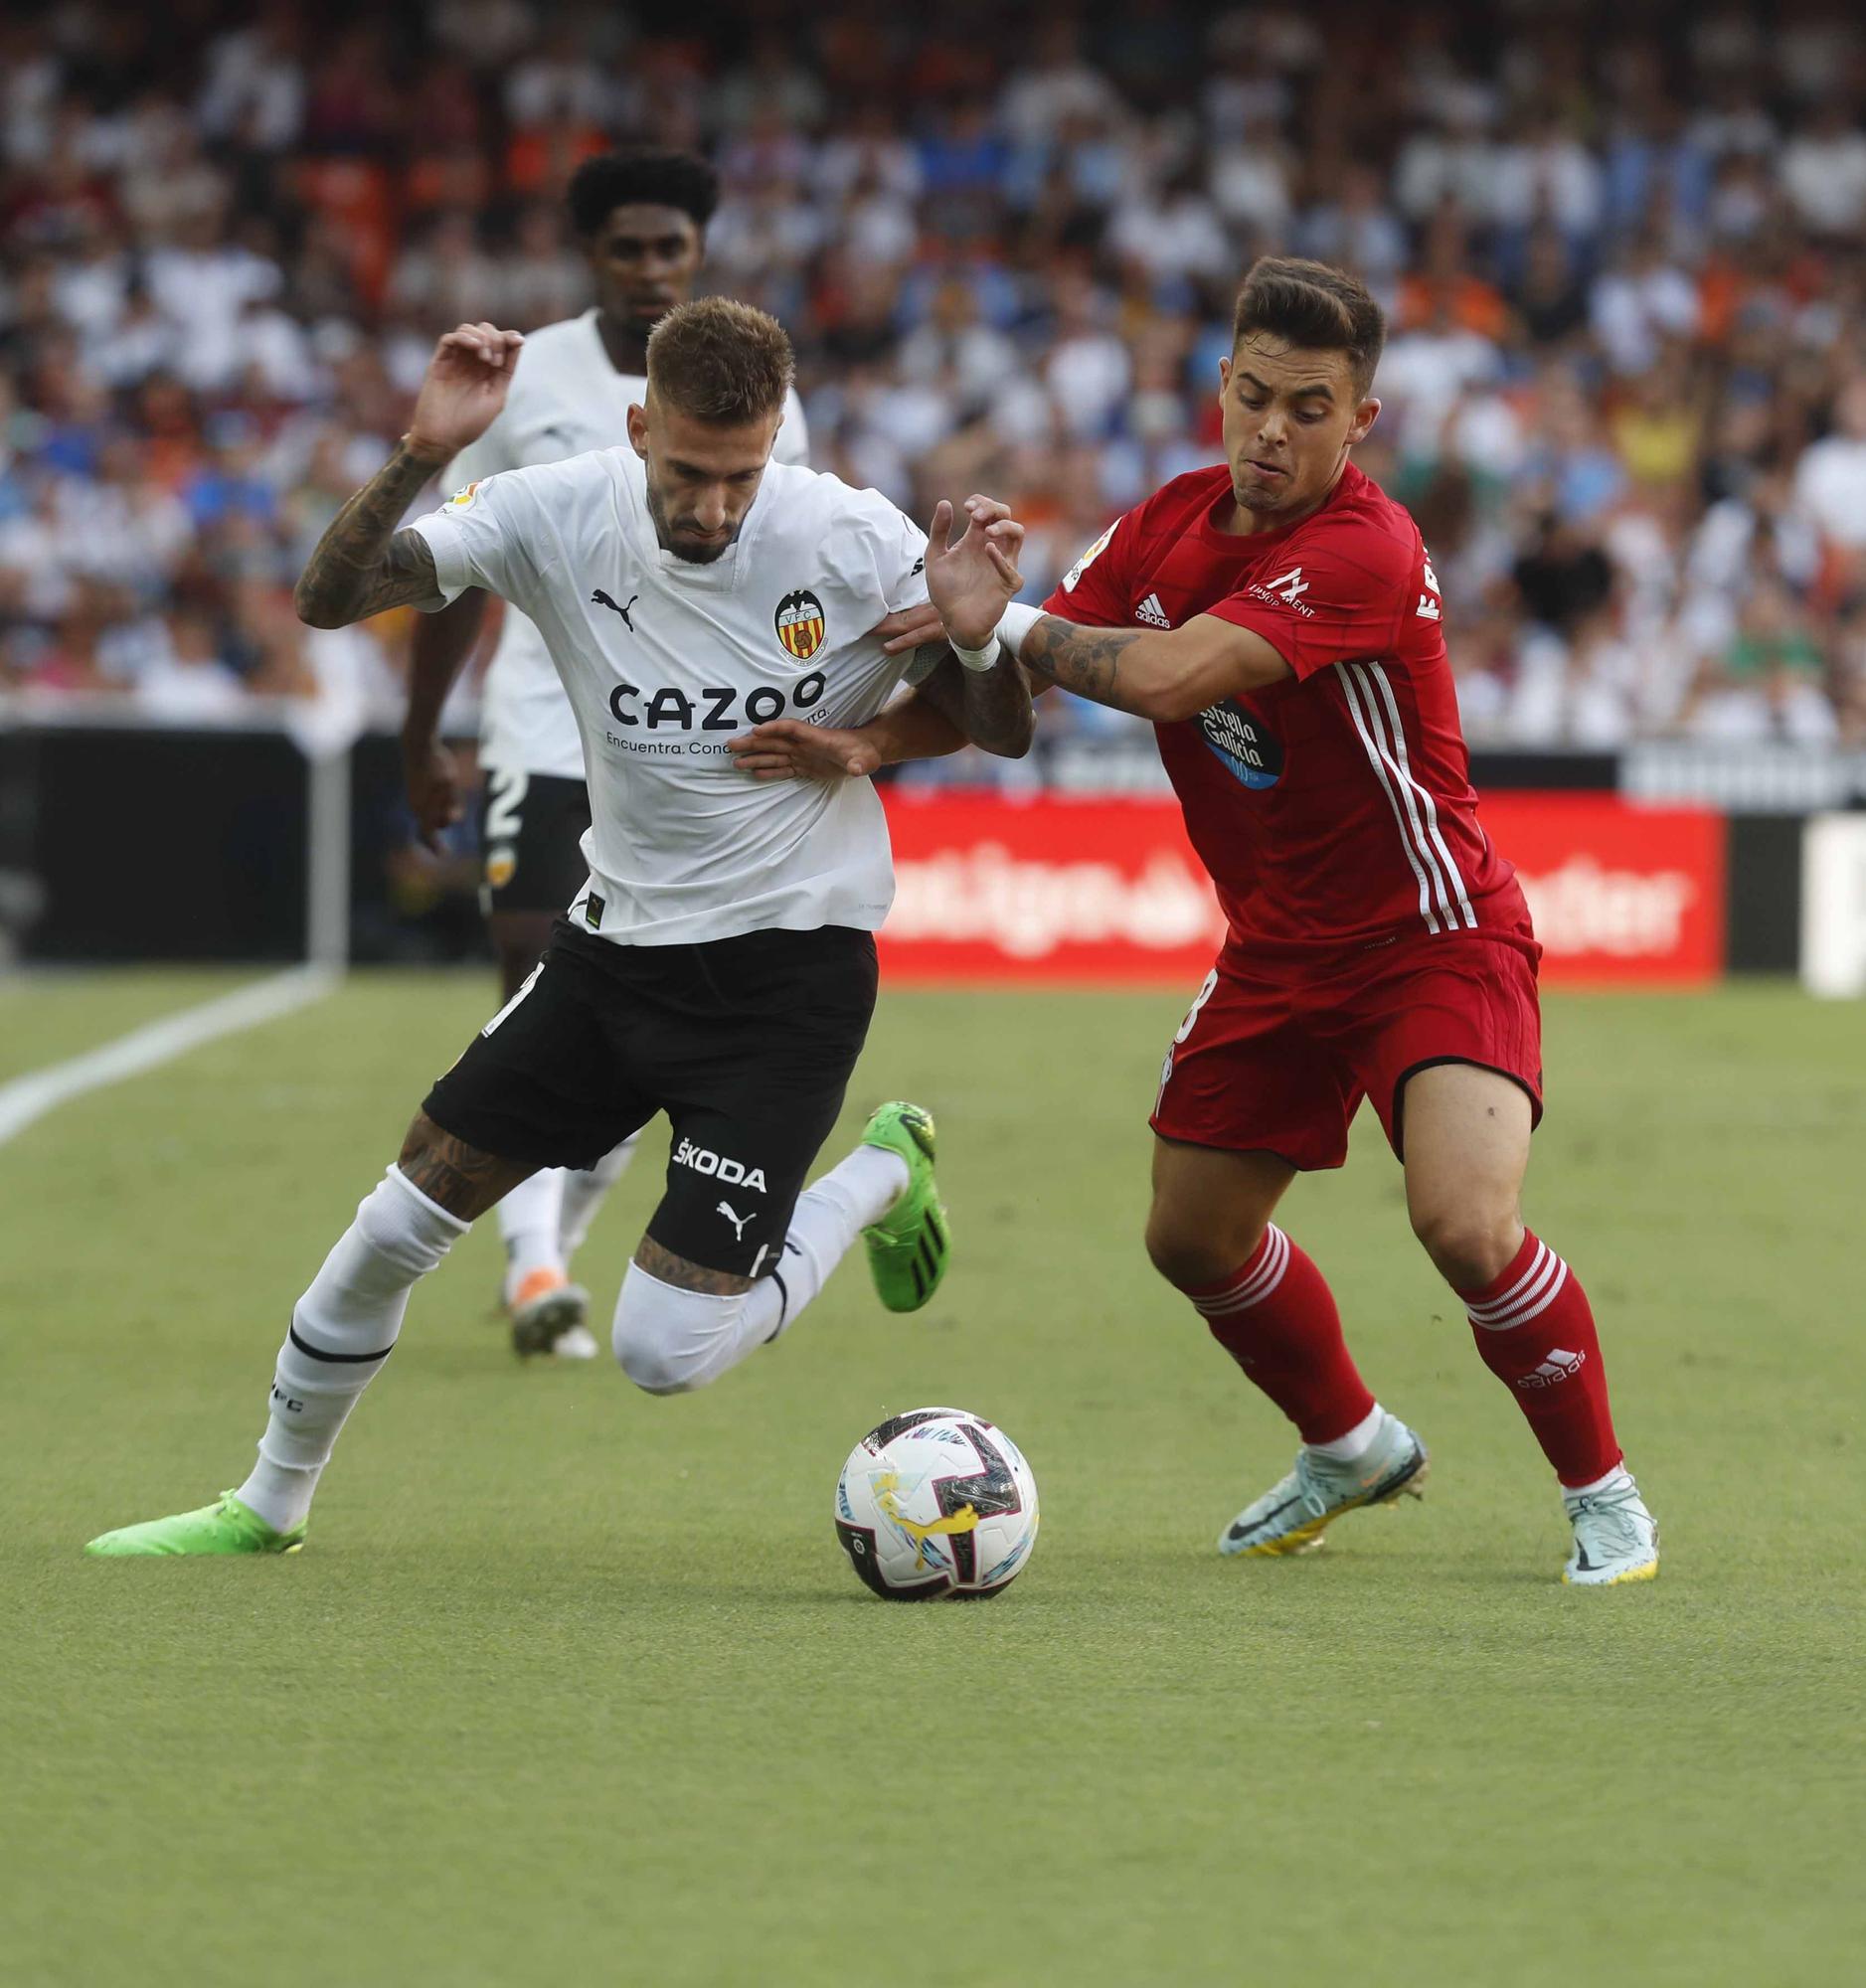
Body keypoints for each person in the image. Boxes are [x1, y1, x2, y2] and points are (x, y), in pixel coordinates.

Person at [84, 298, 1031, 1557]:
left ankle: (877, 1175)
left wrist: (952, 654)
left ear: (774, 447)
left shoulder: (850, 534)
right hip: (607, 959)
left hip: (785, 981)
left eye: (739, 475)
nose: (711, 508)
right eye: (687, 472)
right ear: (640, 426)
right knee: (395, 1220)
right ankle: (268, 1503)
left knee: (659, 1350)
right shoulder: (554, 506)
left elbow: (999, 724)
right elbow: (331, 599)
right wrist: (423, 454)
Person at [785, 256, 1656, 1587]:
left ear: (1358, 421)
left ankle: (1604, 1497)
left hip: (1432, 932)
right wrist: (874, 742)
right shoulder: (1164, 523)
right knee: (1190, 1236)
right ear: (1220, 387)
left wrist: (997, 619)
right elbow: (1019, 683)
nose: (1271, 430)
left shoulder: (1370, 544)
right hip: (1277, 946)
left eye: (1310, 408)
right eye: (1253, 396)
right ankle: (1351, 1443)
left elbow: (1170, 674)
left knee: (1465, 1226)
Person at [400, 148, 939, 1359]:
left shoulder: (752, 388)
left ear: (696, 255)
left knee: (632, 1014)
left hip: (691, 756)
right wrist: (424, 730)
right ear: (589, 257)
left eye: (670, 250)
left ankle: (556, 1246)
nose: (649, 270)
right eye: (626, 250)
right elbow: (454, 573)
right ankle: (536, 1261)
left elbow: (769, 559)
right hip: (546, 722)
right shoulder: (520, 375)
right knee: (536, 971)